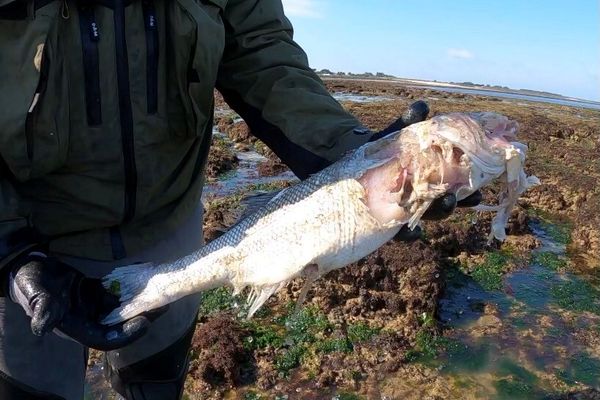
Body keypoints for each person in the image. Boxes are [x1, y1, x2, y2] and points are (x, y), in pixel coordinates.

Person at [0, 0, 480, 398]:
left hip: (170, 231)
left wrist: (350, 152)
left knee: (154, 382)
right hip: (28, 236)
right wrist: (11, 251)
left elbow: (262, 53)